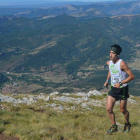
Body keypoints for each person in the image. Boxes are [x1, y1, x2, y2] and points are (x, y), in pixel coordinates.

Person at [104, 44, 135, 134]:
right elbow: (110, 70)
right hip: (113, 88)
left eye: (113, 53)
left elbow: (132, 76)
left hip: (122, 89)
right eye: (110, 52)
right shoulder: (109, 63)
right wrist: (107, 80)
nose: (111, 55)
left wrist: (121, 83)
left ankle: (127, 124)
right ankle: (114, 126)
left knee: (122, 110)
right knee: (109, 109)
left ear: (117, 55)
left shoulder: (122, 63)